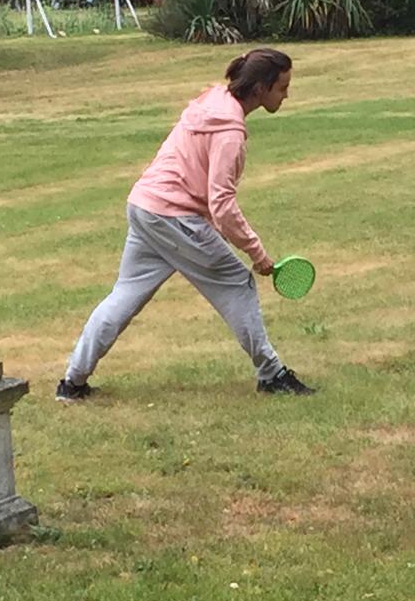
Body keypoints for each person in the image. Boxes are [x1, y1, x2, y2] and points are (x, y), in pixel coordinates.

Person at [56, 47, 315, 401]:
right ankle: (272, 375)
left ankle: (72, 383)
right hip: (173, 216)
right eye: (282, 87)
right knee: (238, 282)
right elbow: (221, 204)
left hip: (143, 206)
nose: (286, 95)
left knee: (125, 294)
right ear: (260, 89)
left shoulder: (215, 98)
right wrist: (257, 253)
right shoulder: (230, 132)